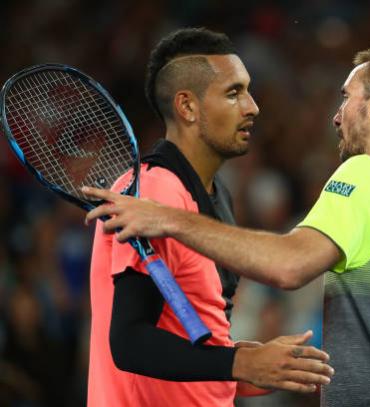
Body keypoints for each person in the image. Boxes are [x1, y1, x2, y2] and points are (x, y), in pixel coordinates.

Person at [84, 44, 370, 406]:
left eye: (346, 98)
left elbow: (289, 265)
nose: (336, 116)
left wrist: (166, 219)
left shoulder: (369, 174)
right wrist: (246, 364)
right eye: (234, 92)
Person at [86, 27, 333, 407]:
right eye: (234, 93)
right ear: (187, 107)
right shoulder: (154, 191)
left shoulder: (217, 196)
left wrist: (253, 368)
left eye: (247, 91)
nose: (252, 107)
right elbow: (129, 341)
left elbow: (193, 348)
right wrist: (239, 361)